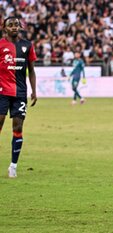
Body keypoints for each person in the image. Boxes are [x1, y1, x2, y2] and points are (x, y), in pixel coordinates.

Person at [0, 16, 37, 178]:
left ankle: (13, 166)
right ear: (4, 28)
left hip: (20, 93)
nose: (14, 27)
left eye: (16, 25)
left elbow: (32, 70)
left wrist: (34, 91)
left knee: (18, 128)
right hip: (1, 93)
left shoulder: (27, 45)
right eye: (10, 25)